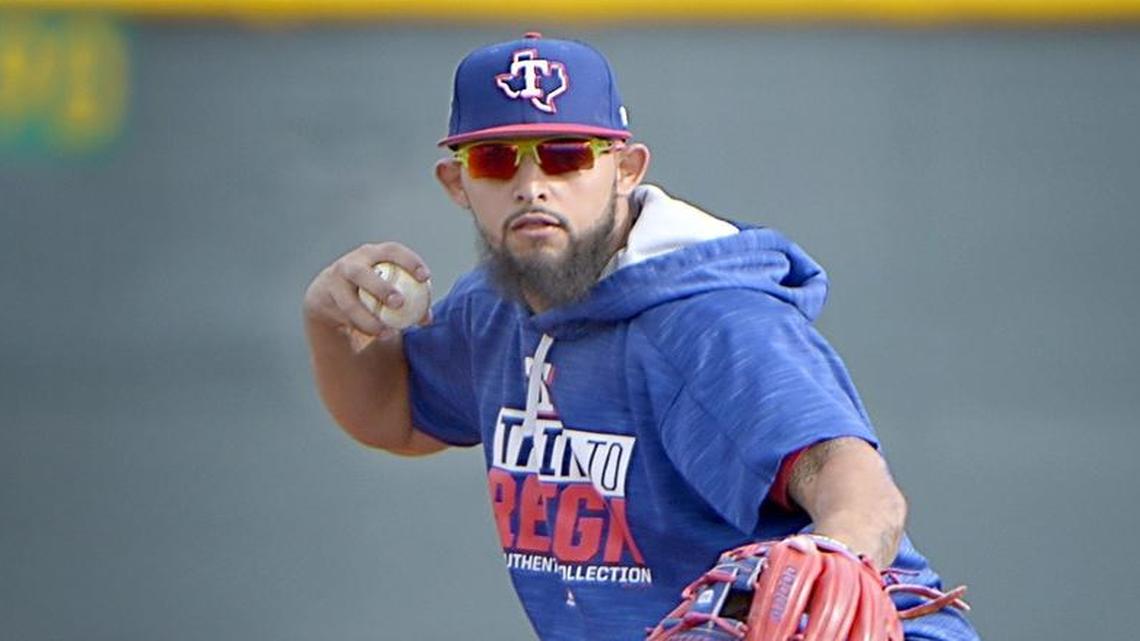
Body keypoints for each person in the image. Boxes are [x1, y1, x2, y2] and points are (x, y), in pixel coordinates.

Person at [303, 32, 979, 641]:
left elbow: (863, 491)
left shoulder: (709, 321)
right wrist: (333, 328)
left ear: (625, 171)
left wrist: (836, 554)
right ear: (457, 182)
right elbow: (396, 416)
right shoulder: (494, 312)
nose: (533, 185)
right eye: (497, 159)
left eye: (567, 155)